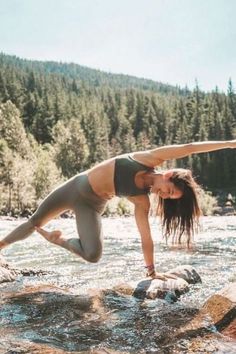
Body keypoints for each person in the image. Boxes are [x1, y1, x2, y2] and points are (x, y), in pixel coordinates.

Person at [0, 140, 236, 280]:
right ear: (169, 175)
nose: (165, 196)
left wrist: (152, 272)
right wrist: (229, 144)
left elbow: (146, 238)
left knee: (93, 255)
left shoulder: (143, 201)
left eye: (170, 198)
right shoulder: (147, 158)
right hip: (74, 188)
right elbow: (190, 147)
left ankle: (58, 240)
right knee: (34, 222)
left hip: (91, 207)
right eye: (170, 191)